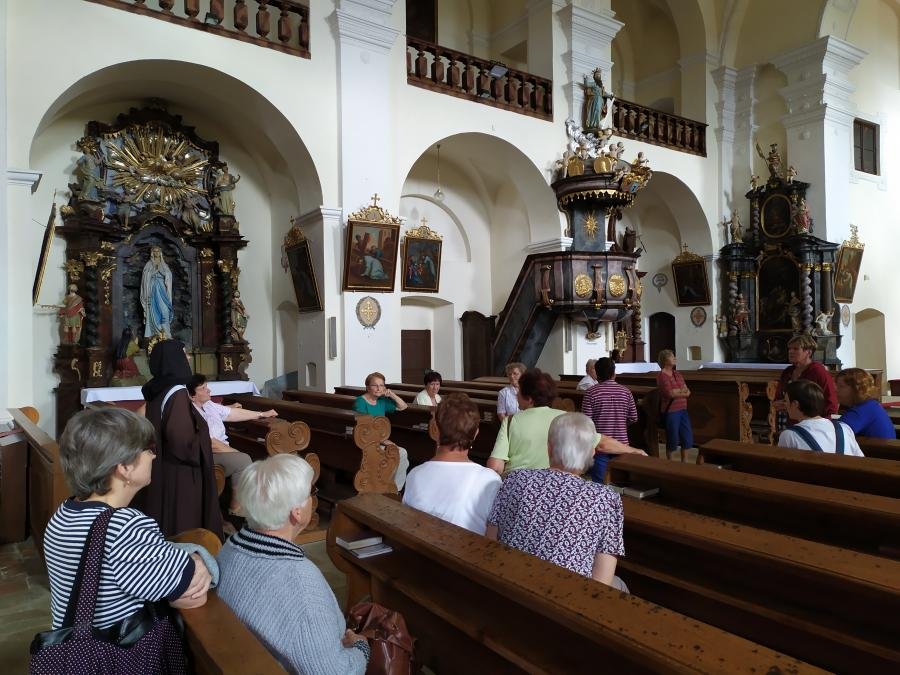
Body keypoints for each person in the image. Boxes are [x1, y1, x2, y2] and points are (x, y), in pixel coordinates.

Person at [43, 407, 214, 637]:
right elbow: (193, 596)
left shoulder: (64, 513)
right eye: (149, 449)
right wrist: (198, 558)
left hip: (78, 646)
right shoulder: (124, 527)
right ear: (124, 468)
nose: (154, 456)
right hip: (119, 652)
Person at [217, 454, 369, 675]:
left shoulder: (230, 547)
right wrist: (361, 648)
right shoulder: (302, 585)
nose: (313, 498)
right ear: (297, 512)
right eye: (311, 493)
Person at [486, 412, 626, 590]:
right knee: (620, 585)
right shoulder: (606, 498)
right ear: (592, 453)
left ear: (549, 448)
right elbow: (601, 581)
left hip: (509, 584)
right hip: (565, 595)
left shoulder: (515, 479)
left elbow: (490, 540)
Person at [134, 339, 223, 539]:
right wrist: (203, 439)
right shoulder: (177, 393)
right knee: (183, 524)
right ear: (173, 359)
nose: (188, 357)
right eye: (184, 353)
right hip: (181, 474)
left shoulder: (157, 390)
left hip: (163, 467)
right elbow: (182, 442)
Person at [403, 394, 501, 533]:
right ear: (475, 433)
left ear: (435, 431)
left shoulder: (414, 474)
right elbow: (494, 535)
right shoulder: (489, 480)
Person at [188, 373, 277, 514]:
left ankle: (253, 503)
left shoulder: (209, 405)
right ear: (192, 396)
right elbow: (210, 443)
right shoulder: (192, 413)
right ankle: (236, 509)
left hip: (221, 448)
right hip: (208, 454)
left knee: (249, 457)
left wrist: (261, 414)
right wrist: (235, 452)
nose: (208, 390)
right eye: (203, 388)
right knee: (243, 460)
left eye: (207, 386)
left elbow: (231, 413)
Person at [581, 357, 644, 481]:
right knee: (621, 483)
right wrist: (620, 425)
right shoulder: (626, 392)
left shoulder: (591, 393)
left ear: (597, 374)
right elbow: (633, 417)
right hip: (621, 444)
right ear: (614, 373)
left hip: (600, 445)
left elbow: (586, 422)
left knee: (599, 484)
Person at [353, 372, 410, 490]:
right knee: (397, 453)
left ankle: (395, 489)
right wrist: (384, 441)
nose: (379, 388)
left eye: (382, 385)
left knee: (402, 453)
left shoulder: (382, 401)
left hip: (379, 441)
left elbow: (403, 406)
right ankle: (388, 487)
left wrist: (391, 394)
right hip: (365, 443)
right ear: (368, 387)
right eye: (375, 385)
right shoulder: (360, 402)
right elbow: (363, 429)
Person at [778, 380, 863, 456]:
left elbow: (782, 466)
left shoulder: (789, 435)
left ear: (795, 404)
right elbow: (860, 460)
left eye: (786, 401)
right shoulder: (844, 428)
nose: (785, 405)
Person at [774, 334, 838, 417]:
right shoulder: (788, 372)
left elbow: (831, 402)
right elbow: (778, 397)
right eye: (789, 349)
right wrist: (779, 403)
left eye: (796, 349)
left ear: (809, 352)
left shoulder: (818, 371)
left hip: (813, 421)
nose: (790, 351)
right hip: (788, 419)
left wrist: (824, 422)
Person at [656, 349, 694, 461]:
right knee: (673, 438)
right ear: (665, 360)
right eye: (672, 357)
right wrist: (681, 391)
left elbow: (688, 391)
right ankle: (670, 463)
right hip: (671, 411)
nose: (675, 358)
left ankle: (684, 463)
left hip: (683, 409)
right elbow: (670, 393)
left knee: (687, 437)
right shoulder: (662, 376)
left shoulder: (677, 374)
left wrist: (678, 391)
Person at [836, 368, 894, 439]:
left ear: (857, 389)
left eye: (841, 386)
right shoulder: (870, 405)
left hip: (877, 446)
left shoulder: (862, 410)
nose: (836, 390)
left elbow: (834, 432)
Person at [140, 245, 174, 338]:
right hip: (152, 289)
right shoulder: (148, 264)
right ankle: (154, 333)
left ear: (160, 253)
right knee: (152, 310)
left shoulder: (164, 264)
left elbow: (168, 275)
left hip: (162, 290)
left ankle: (166, 332)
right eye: (154, 251)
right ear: (152, 253)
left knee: (165, 310)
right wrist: (154, 272)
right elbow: (145, 277)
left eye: (158, 251)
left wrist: (162, 272)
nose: (156, 253)